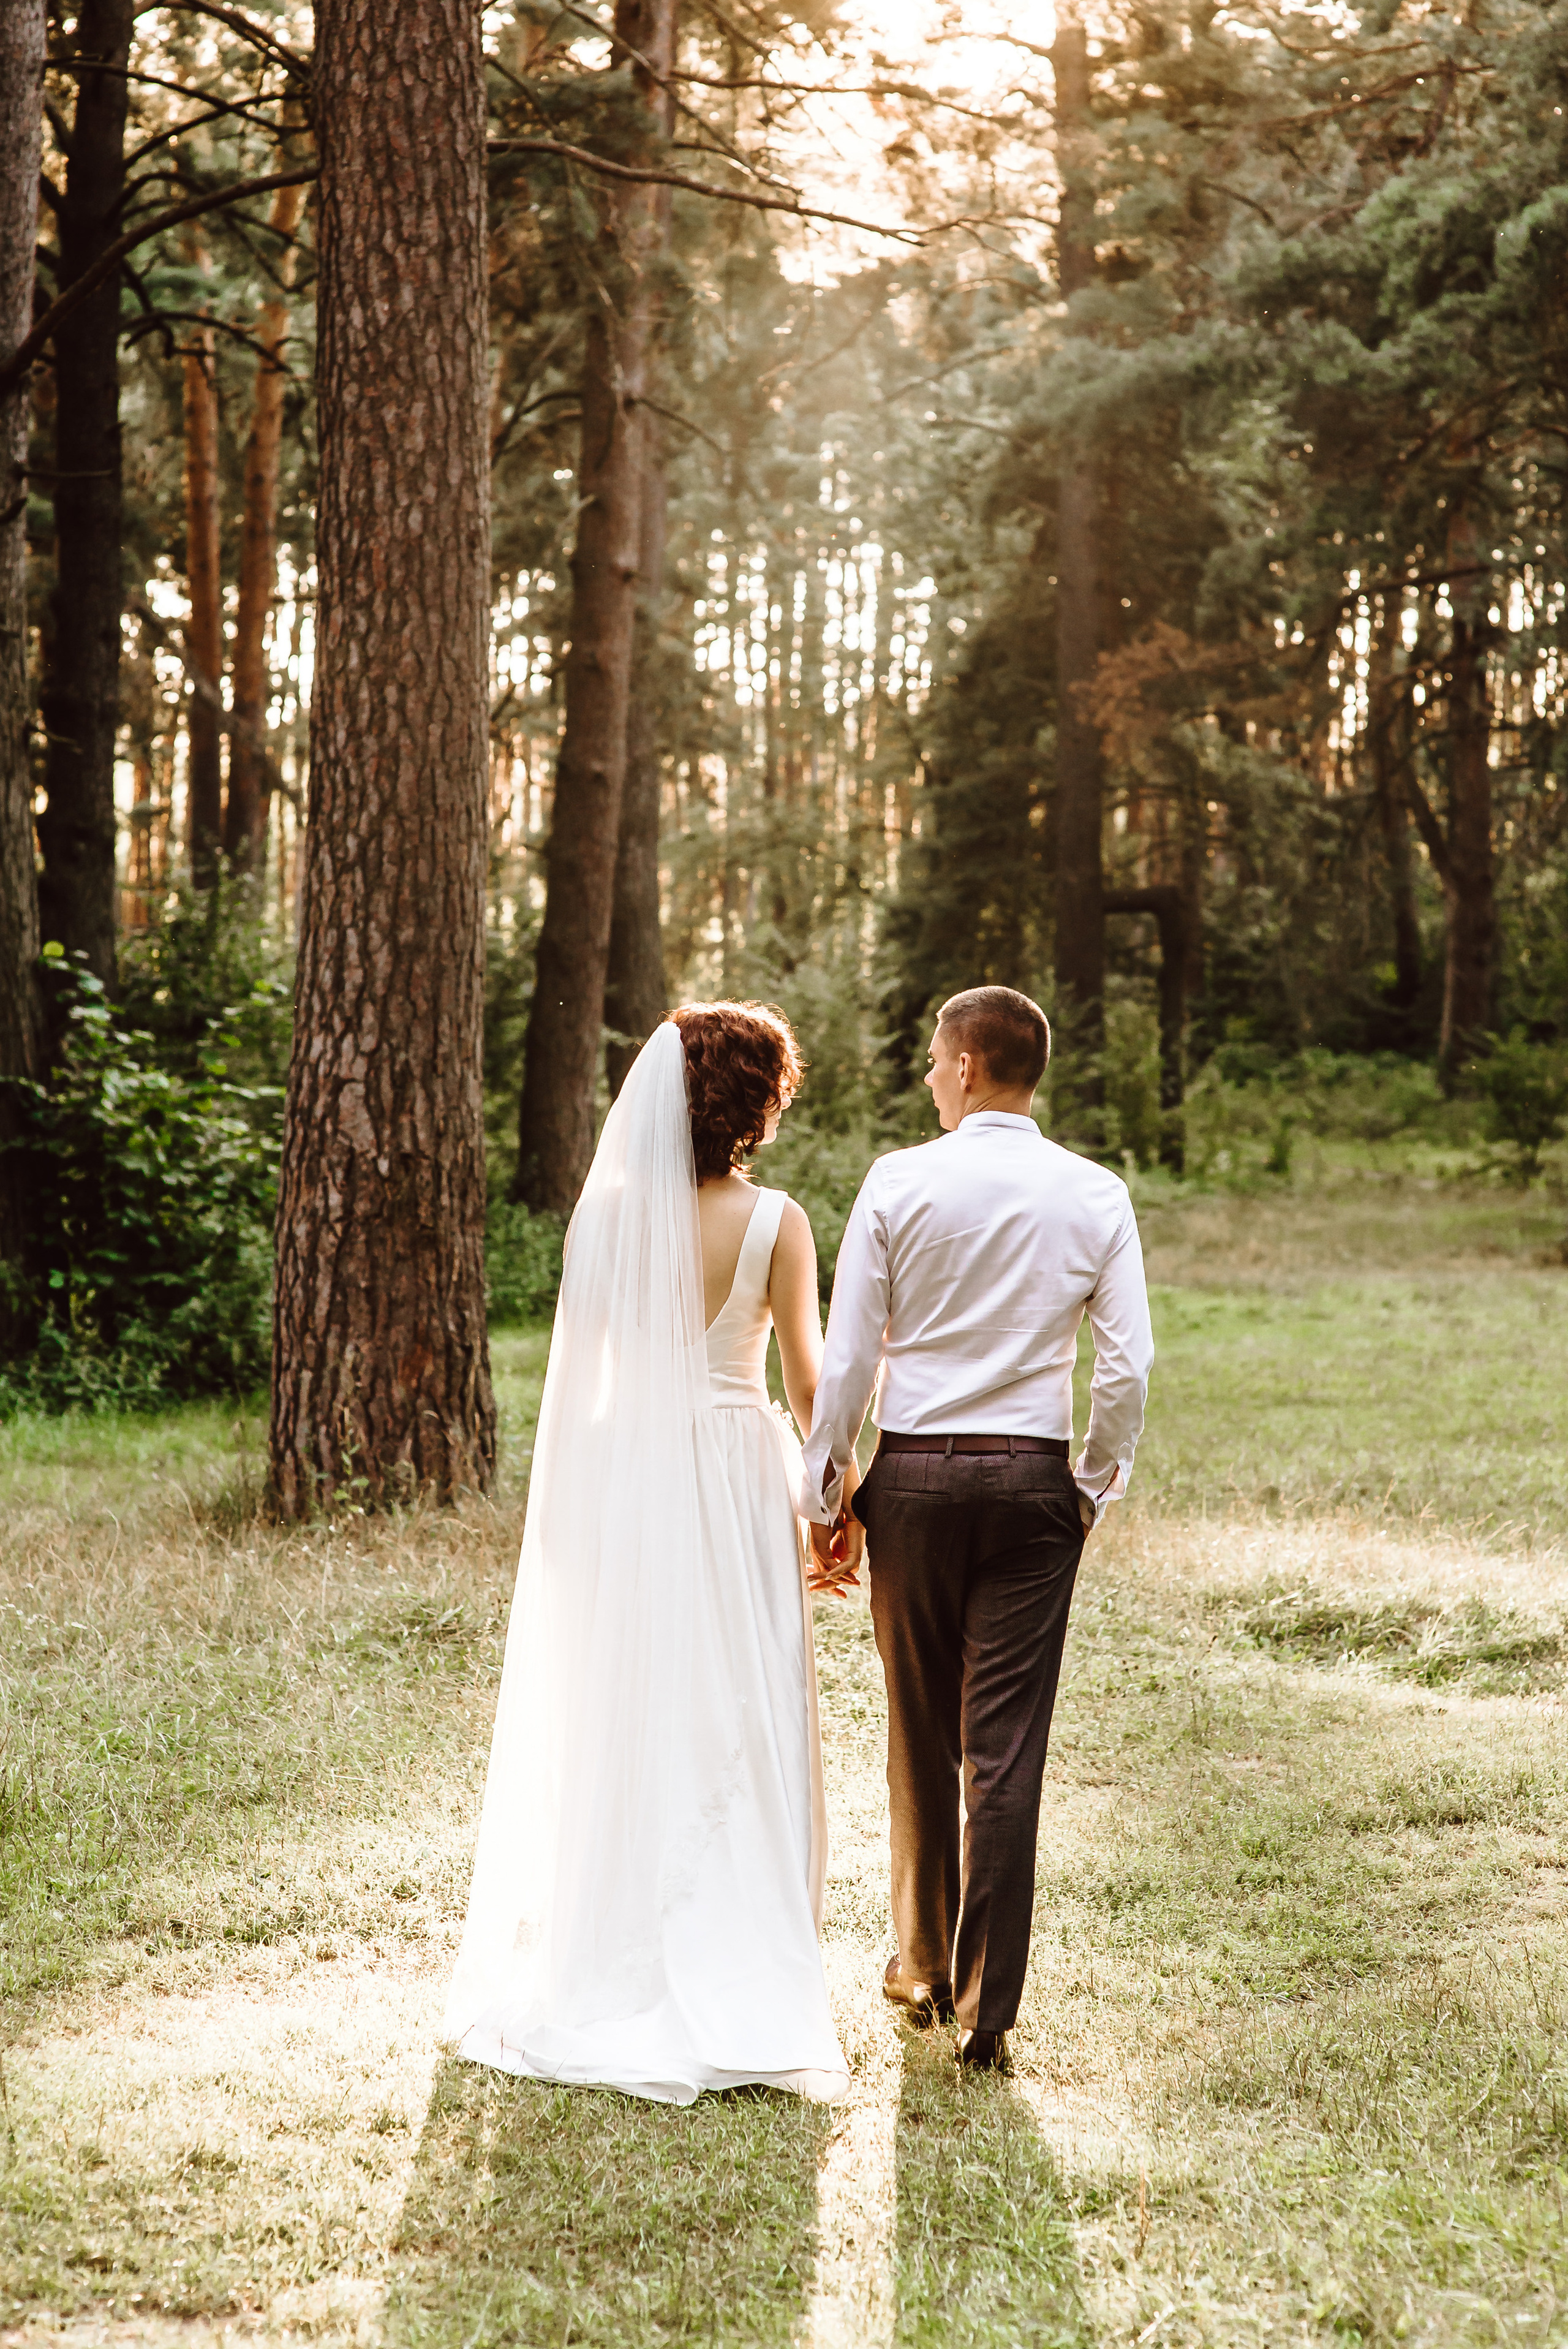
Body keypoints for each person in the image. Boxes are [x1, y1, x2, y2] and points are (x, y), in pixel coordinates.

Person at [444, 1002, 848, 2105]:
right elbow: (808, 1385)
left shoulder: (606, 1217)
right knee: (743, 1698)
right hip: (733, 1470)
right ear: (756, 1106)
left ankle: (619, 1937)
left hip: (632, 1472)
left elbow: (591, 1377)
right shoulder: (778, 1224)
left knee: (633, 1699)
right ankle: (741, 1936)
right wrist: (834, 1497)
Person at [802, 985, 1153, 2075]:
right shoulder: (1095, 1193)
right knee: (1005, 1751)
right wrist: (1089, 1486)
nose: (926, 1078)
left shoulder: (899, 1181)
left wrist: (828, 1489)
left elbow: (852, 1353)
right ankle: (985, 2010)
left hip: (911, 1480)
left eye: (931, 1061)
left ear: (963, 1067)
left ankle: (920, 1965)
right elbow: (1129, 1365)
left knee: (919, 1730)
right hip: (1032, 1488)